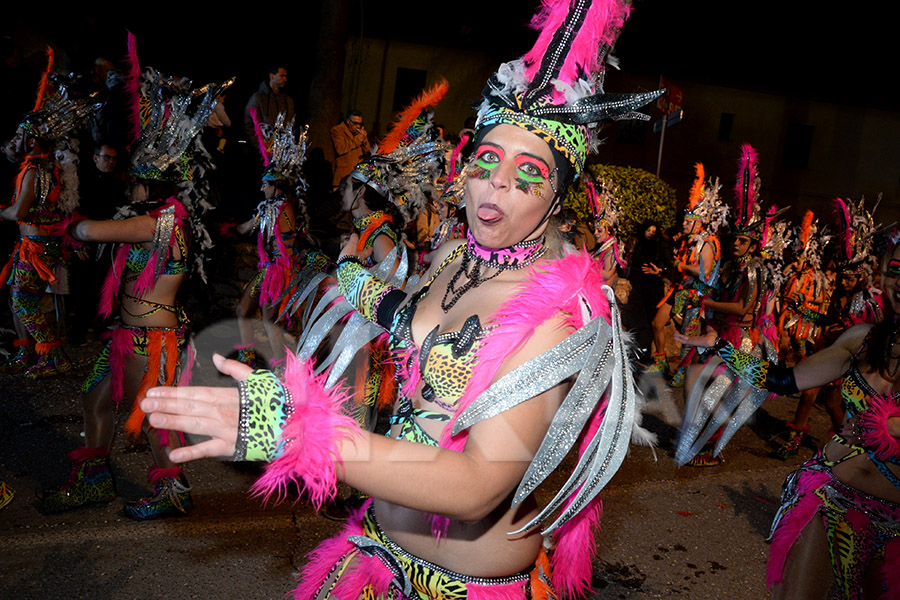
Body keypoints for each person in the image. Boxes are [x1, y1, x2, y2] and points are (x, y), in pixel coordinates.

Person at [141, 1, 662, 598]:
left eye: (528, 173)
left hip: (467, 584)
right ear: (464, 166)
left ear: (558, 195)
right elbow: (425, 330)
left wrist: (296, 428)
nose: (497, 183)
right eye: (486, 161)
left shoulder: (555, 314)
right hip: (376, 553)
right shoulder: (454, 258)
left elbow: (476, 485)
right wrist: (369, 294)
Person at [39, 36, 231, 520]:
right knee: (94, 398)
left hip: (150, 340)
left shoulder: (155, 222)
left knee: (150, 420)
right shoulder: (164, 216)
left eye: (138, 178)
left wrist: (61, 219)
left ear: (154, 182)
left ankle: (174, 491)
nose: (131, 183)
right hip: (130, 335)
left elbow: (87, 229)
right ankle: (94, 478)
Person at [675, 225, 900, 598]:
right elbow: (782, 380)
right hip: (835, 502)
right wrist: (723, 349)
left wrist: (885, 424)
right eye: (895, 269)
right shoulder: (862, 340)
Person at [0, 49, 99, 377]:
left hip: (37, 248)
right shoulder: (48, 166)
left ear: (31, 139)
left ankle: (52, 358)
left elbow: (20, 212)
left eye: (19, 135)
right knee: (18, 300)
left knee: (24, 301)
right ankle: (27, 354)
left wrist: (3, 212)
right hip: (36, 245)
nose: (14, 140)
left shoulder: (33, 170)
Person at [235, 113, 308, 368]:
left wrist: (233, 226)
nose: (261, 189)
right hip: (268, 270)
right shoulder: (279, 205)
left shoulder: (275, 208)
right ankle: (248, 360)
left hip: (277, 272)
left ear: (275, 186)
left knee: (269, 322)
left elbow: (246, 228)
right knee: (243, 311)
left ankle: (283, 368)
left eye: (265, 185)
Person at [243, 64, 294, 143]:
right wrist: (260, 147)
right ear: (272, 76)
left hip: (282, 149)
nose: (285, 79)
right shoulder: (258, 98)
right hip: (264, 149)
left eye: (285, 76)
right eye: (282, 76)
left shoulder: (287, 101)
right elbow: (249, 124)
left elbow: (291, 124)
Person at [330, 110, 370, 188]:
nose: (358, 126)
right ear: (348, 121)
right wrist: (357, 139)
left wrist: (364, 140)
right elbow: (340, 149)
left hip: (357, 176)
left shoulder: (358, 133)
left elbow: (367, 151)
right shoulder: (337, 130)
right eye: (355, 123)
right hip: (343, 177)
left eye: (360, 124)